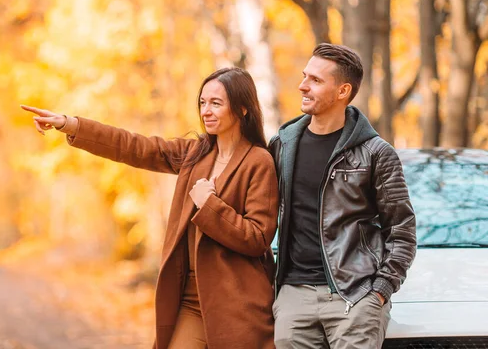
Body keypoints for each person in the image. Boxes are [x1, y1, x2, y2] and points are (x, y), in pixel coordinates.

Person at [21, 67, 278, 349]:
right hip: (191, 300)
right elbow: (134, 146)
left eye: (216, 103)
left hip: (237, 301)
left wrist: (209, 204)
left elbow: (257, 238)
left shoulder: (259, 161)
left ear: (242, 109)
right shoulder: (195, 154)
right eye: (202, 103)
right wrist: (70, 124)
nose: (206, 111)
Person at [269, 43, 417, 349]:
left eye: (316, 80)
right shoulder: (282, 145)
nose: (302, 85)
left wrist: (379, 290)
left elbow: (402, 230)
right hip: (294, 295)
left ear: (342, 91)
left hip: (354, 294)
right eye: (304, 76)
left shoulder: (376, 153)